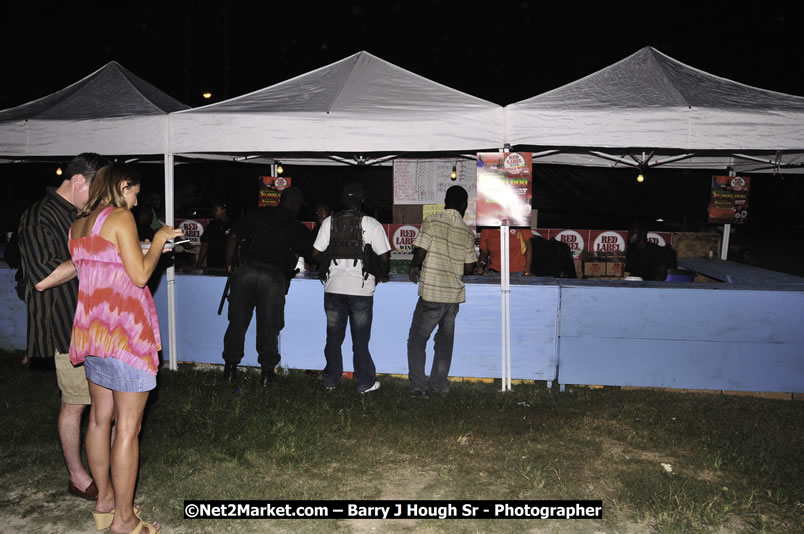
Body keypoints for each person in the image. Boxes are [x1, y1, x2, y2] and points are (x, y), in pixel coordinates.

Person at [69, 161, 182, 534]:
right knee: (128, 429)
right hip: (124, 335)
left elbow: (107, 265)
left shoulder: (79, 225)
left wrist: (142, 248)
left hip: (93, 335)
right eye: (134, 193)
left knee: (100, 420)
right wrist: (161, 241)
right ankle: (124, 519)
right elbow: (139, 276)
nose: (135, 202)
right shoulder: (119, 217)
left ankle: (104, 503)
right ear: (122, 187)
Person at [16, 152, 109, 501]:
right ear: (79, 181)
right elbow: (43, 279)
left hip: (93, 321)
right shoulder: (39, 217)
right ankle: (77, 475)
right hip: (65, 325)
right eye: (97, 188)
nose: (101, 198)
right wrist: (94, 252)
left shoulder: (80, 214)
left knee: (105, 398)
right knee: (76, 403)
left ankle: (108, 458)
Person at [221, 187, 313, 386]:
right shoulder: (297, 227)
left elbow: (234, 236)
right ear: (296, 206)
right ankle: (266, 374)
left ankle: (230, 369)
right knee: (269, 326)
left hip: (246, 272)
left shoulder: (258, 213)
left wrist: (230, 266)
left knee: (237, 322)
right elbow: (314, 253)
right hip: (273, 277)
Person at [312, 183, 391, 393]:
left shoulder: (329, 222)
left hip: (333, 288)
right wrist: (380, 272)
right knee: (360, 341)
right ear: (362, 200)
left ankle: (331, 380)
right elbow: (385, 257)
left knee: (333, 338)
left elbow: (316, 253)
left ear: (342, 201)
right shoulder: (372, 224)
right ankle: (364, 382)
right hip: (361, 290)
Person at [407, 186, 477, 398]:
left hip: (432, 292)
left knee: (418, 338)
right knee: (444, 342)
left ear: (445, 201)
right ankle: (439, 384)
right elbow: (469, 269)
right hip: (452, 296)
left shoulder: (432, 221)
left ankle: (419, 387)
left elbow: (421, 249)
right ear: (464, 205)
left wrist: (415, 266)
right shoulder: (467, 232)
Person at [195, 201, 233, 269]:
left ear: (223, 210)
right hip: (212, 264)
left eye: (216, 210)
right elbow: (205, 245)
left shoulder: (234, 224)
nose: (213, 212)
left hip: (228, 265)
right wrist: (199, 263)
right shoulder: (212, 225)